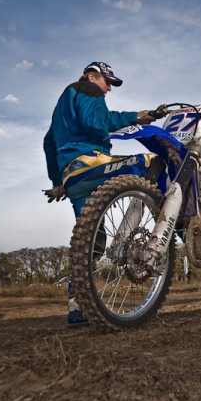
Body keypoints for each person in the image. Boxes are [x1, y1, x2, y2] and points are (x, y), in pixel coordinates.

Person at [43, 61, 163, 326]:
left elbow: (49, 142)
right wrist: (135, 116)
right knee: (152, 162)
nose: (108, 88)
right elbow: (96, 121)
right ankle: (141, 240)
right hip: (92, 163)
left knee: (91, 238)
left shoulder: (61, 105)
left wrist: (59, 180)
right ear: (91, 75)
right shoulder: (86, 89)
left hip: (73, 177)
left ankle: (78, 307)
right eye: (107, 81)